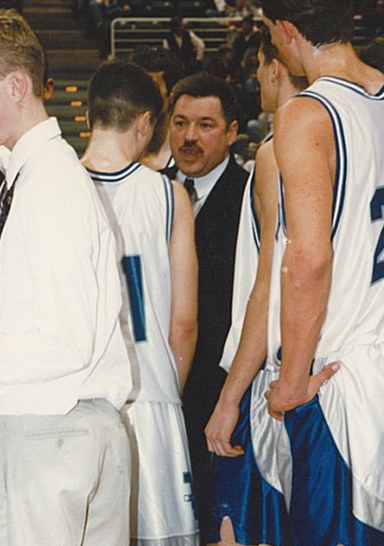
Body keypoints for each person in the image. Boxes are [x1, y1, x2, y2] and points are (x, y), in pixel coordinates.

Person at [253, 0, 384, 545]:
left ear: (287, 31)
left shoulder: (308, 113)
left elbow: (310, 259)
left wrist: (294, 378)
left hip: (342, 379)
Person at [0, 9, 133, 545]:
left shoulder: (51, 184)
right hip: (62, 426)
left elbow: (62, 339)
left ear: (15, 85)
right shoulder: (35, 176)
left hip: (52, 429)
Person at [81, 60, 199, 546]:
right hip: (149, 396)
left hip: (76, 402)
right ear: (147, 122)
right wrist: (167, 393)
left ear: (89, 118)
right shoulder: (170, 195)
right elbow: (184, 323)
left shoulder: (49, 187)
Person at [205, 27, 307, 546]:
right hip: (313, 369)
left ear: (274, 65)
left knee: (237, 530)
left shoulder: (275, 152)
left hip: (268, 375)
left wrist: (228, 398)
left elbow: (268, 286)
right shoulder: (328, 140)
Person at [166, 73, 249, 544]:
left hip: (221, 394)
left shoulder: (254, 196)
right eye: (180, 123)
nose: (190, 137)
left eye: (205, 125)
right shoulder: (150, 191)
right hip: (158, 385)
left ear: (233, 131)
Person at [128, 44, 185, 171]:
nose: (138, 96)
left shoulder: (191, 161)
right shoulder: (116, 159)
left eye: (148, 89)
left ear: (172, 95)